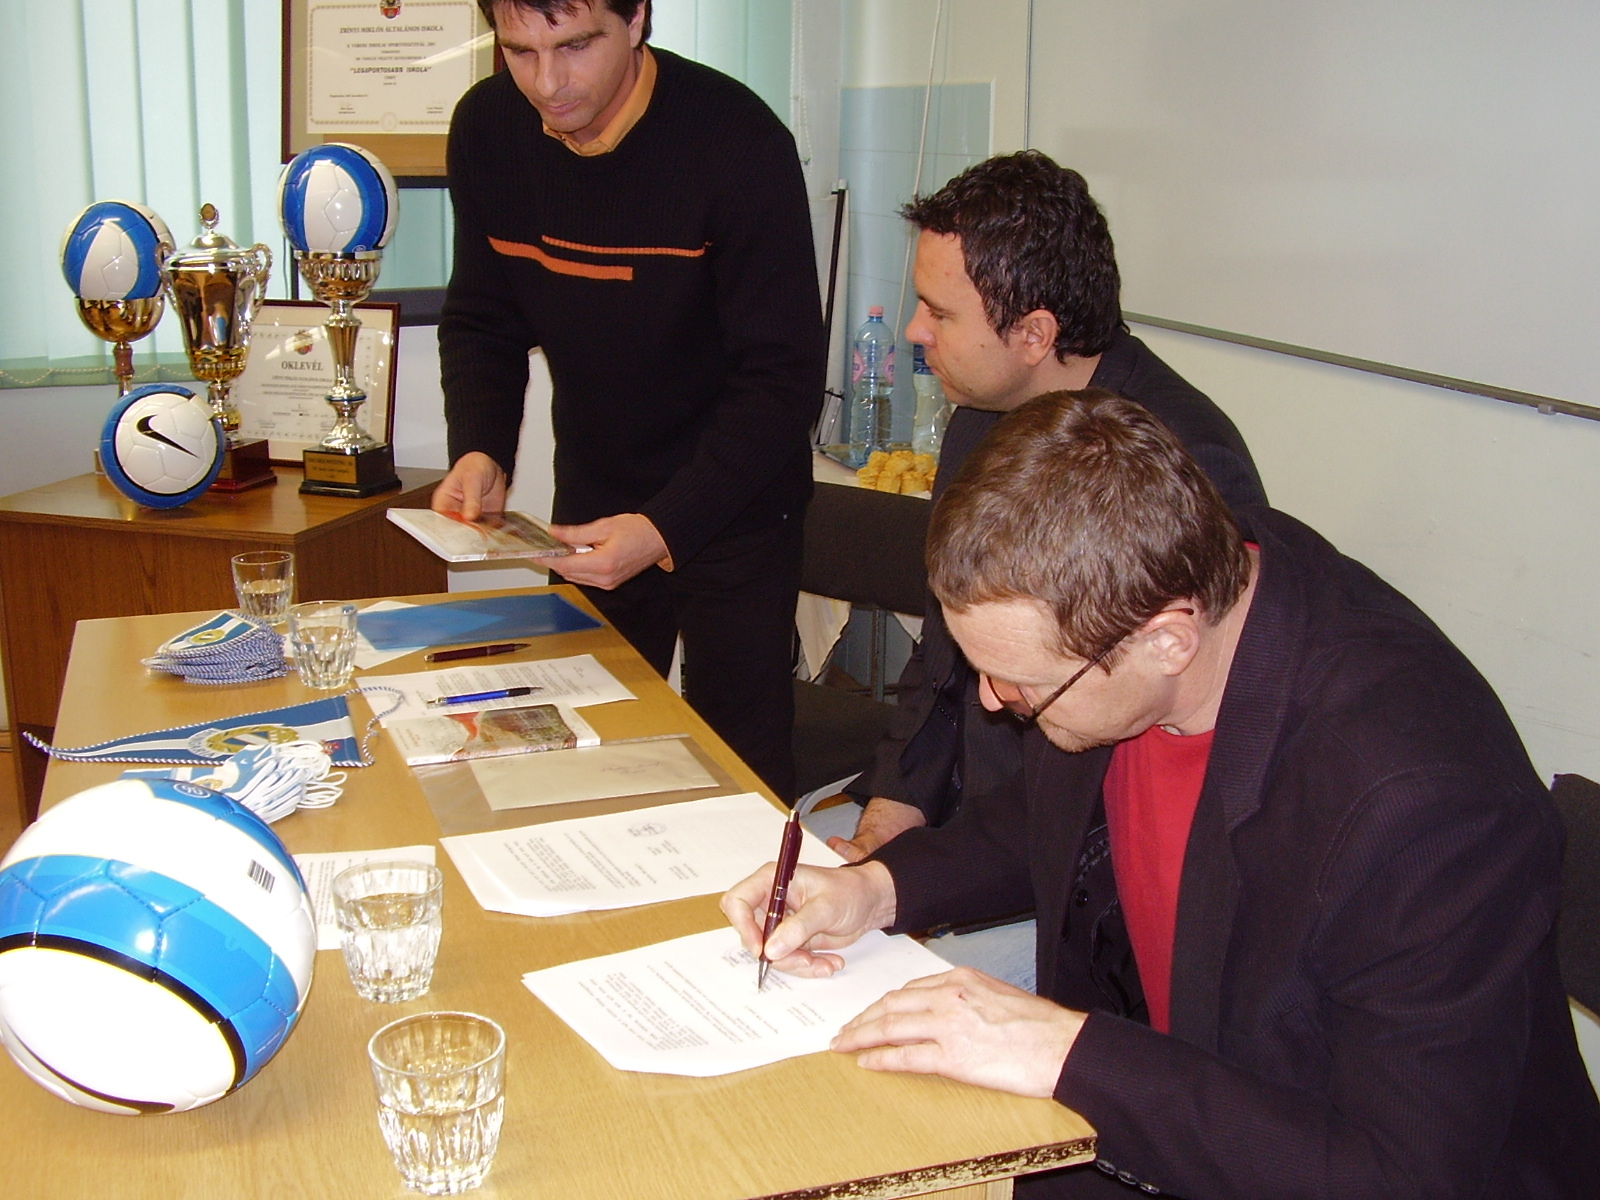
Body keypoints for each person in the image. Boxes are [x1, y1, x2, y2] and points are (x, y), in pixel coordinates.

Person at [726, 389, 1600, 1198]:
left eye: (1023, 683)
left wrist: (1066, 1051)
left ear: (1168, 640)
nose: (992, 703)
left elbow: (1401, 1174)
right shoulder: (1165, 588)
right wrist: (875, 889)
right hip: (1179, 1102)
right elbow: (1050, 817)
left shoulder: (1419, 809)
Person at [823, 152, 1263, 982]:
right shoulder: (982, 417)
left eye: (938, 312)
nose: (916, 332)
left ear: (1033, 335)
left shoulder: (1180, 465)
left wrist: (922, 885)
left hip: (1071, 887)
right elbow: (945, 656)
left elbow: (1141, 788)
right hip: (966, 823)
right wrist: (896, 805)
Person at [435, 0, 824, 798]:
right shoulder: (487, 129)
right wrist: (481, 447)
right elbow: (482, 317)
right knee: (572, 745)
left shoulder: (738, 143)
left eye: (576, 45)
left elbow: (783, 380)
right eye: (520, 50)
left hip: (736, 503)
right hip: (596, 490)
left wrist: (665, 526)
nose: (548, 82)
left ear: (638, 16)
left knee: (737, 768)